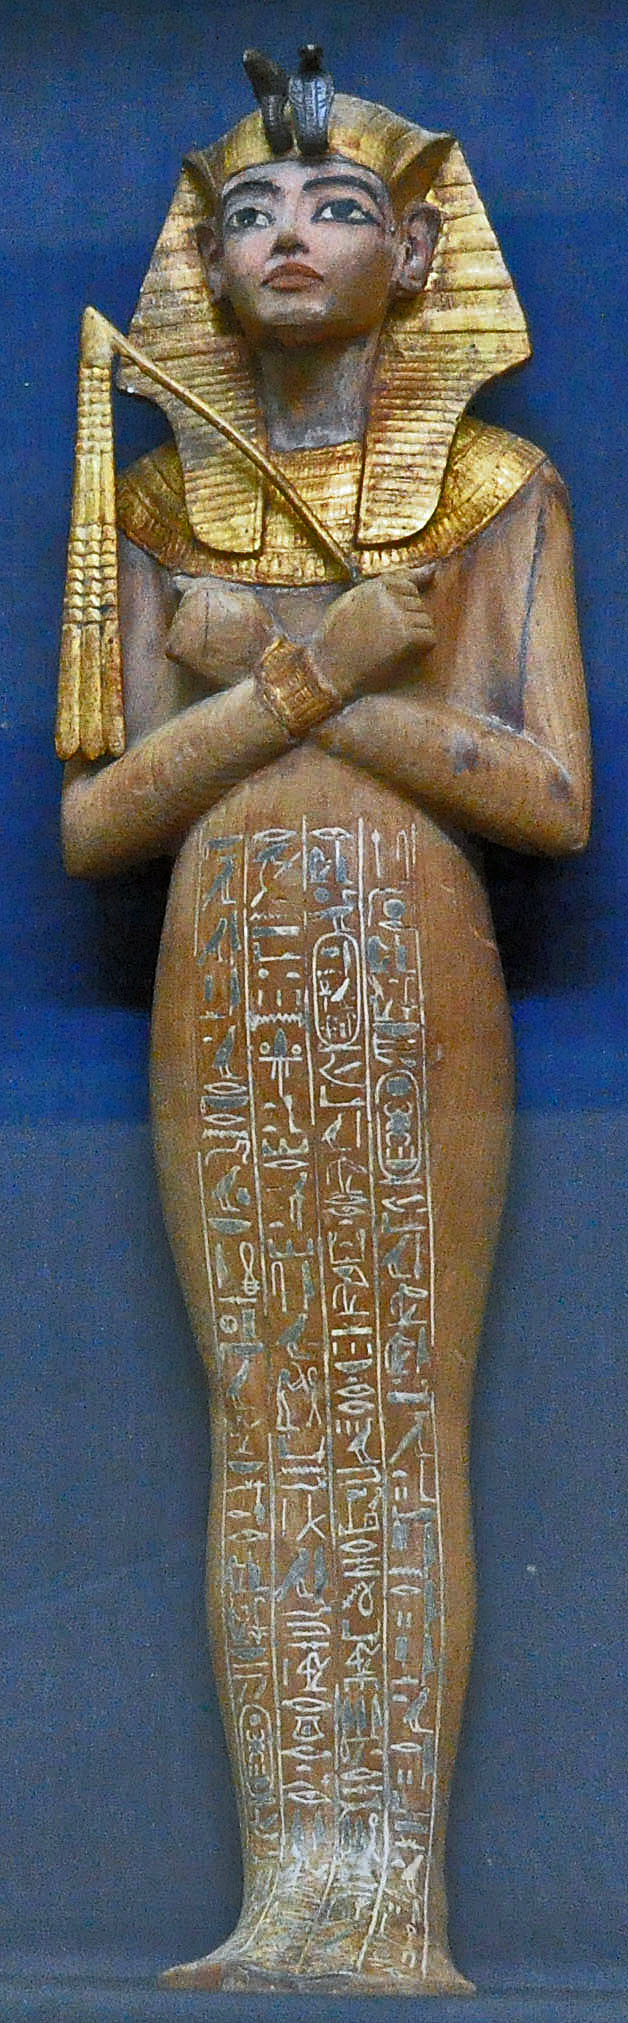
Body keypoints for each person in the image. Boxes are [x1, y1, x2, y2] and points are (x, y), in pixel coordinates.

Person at [58, 49, 591, 1994]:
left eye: (340, 205)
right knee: (267, 1428)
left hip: (414, 971)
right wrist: (305, 678)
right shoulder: (153, 505)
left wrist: (319, 677)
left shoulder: (494, 494)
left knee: (393, 1418)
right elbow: (98, 822)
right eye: (255, 213)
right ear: (202, 268)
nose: (292, 234)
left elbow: (550, 800)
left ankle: (391, 1905)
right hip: (228, 980)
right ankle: (290, 1888)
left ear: (421, 258)